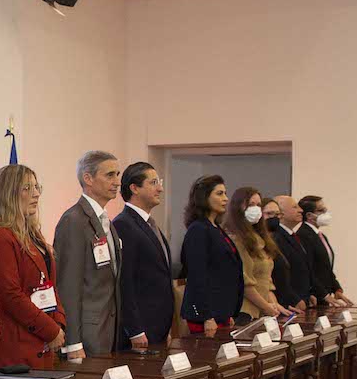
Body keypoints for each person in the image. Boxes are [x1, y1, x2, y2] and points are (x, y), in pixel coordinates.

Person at [0, 164, 66, 369]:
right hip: (17, 343)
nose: (36, 194)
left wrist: (59, 322)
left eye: (37, 187)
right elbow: (11, 295)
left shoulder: (33, 234)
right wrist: (50, 329)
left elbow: (50, 285)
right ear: (9, 194)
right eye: (27, 189)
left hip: (42, 337)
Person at [52, 150, 124, 357]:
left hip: (109, 331)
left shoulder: (106, 222)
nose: (117, 182)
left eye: (117, 175)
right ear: (88, 178)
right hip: (87, 335)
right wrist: (73, 342)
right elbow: (68, 285)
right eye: (110, 175)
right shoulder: (74, 221)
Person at [112, 160, 177, 348]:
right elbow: (125, 281)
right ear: (134, 188)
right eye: (153, 183)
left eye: (160, 182)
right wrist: (135, 330)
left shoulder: (149, 223)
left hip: (158, 327)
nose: (160, 189)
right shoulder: (124, 224)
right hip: (141, 330)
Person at [179, 175, 243, 333]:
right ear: (204, 197)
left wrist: (229, 312)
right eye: (219, 194)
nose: (226, 199)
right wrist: (207, 316)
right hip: (206, 315)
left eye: (225, 193)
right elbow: (197, 275)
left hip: (222, 311)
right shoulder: (198, 229)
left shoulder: (216, 228)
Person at [225, 186, 288, 322]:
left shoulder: (258, 238)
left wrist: (273, 305)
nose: (256, 208)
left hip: (262, 310)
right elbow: (245, 282)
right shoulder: (236, 238)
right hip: (246, 311)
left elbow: (266, 278)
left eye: (258, 205)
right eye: (250, 204)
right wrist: (266, 307)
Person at [297, 195, 350, 308]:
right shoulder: (303, 235)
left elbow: (326, 267)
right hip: (314, 298)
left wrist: (336, 289)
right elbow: (309, 270)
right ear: (309, 215)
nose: (326, 213)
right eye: (321, 211)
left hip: (325, 296)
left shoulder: (321, 236)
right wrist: (324, 294)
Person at [270, 195, 314, 313]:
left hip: (300, 300)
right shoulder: (277, 237)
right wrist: (294, 299)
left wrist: (308, 294)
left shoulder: (294, 236)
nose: (301, 210)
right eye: (295, 207)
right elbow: (278, 275)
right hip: (287, 303)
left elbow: (302, 268)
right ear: (281, 213)